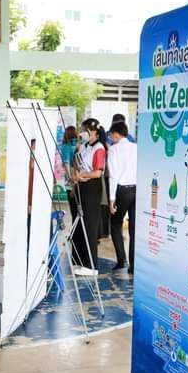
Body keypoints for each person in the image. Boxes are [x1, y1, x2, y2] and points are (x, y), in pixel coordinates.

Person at [72, 118, 107, 276]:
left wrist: (84, 175)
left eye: (86, 130)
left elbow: (98, 172)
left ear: (94, 132)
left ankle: (91, 265)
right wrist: (77, 175)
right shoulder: (85, 147)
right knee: (80, 224)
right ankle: (79, 260)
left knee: (89, 225)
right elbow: (77, 164)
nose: (83, 133)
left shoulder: (99, 148)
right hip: (82, 186)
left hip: (92, 188)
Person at [107, 121, 137, 275]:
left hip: (122, 190)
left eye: (111, 134)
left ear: (116, 134)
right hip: (136, 190)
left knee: (115, 224)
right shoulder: (136, 147)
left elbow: (113, 175)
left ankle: (121, 260)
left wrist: (112, 199)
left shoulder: (113, 149)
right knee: (133, 228)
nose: (110, 137)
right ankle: (133, 266)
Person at [58, 126, 80, 222]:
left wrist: (70, 179)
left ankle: (75, 229)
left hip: (71, 181)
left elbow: (66, 163)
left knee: (74, 209)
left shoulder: (66, 146)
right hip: (81, 177)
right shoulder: (79, 145)